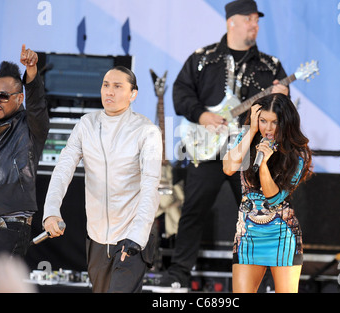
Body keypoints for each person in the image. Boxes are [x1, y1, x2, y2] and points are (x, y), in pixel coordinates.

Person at [160, 0, 290, 290]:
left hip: (249, 153)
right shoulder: (202, 59)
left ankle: (264, 279)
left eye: (257, 20)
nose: (254, 25)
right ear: (231, 21)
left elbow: (281, 113)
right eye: (249, 19)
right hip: (208, 151)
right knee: (192, 210)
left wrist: (282, 96)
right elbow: (180, 94)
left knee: (259, 216)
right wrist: (203, 115)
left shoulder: (270, 66)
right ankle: (179, 274)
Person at [42, 66, 162, 293]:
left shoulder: (147, 131)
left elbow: (150, 186)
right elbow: (62, 170)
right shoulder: (86, 124)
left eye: (118, 86)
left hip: (131, 237)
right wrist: (51, 210)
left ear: (133, 93)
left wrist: (137, 236)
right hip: (96, 238)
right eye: (106, 85)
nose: (109, 92)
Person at [223, 93, 312, 293]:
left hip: (282, 234)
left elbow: (273, 198)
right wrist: (251, 130)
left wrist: (263, 163)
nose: (268, 128)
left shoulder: (298, 153)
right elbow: (228, 168)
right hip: (247, 235)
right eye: (263, 121)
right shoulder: (245, 137)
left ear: (286, 123)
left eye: (275, 122)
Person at [0, 45, 49, 261]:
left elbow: (37, 105)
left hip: (11, 226)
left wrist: (31, 71)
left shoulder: (30, 125)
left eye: (2, 96)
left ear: (19, 98)